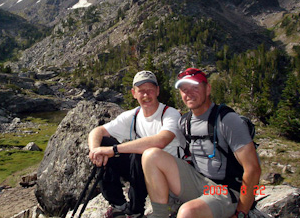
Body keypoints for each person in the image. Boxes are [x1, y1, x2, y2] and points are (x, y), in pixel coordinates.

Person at [142, 68, 261, 218]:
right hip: (200, 181)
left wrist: (241, 212)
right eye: (184, 89)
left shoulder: (227, 119)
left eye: (195, 87)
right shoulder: (185, 122)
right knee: (150, 155)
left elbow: (253, 169)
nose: (189, 93)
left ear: (208, 88)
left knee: (187, 212)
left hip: (226, 190)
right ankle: (160, 215)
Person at [88, 70, 185, 218]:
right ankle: (118, 204)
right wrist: (96, 151)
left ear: (157, 91)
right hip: (142, 172)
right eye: (141, 91)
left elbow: (161, 140)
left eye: (150, 90)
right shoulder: (133, 116)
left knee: (141, 153)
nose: (146, 95)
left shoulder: (170, 114)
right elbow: (98, 131)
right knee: (103, 144)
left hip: (168, 174)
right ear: (134, 93)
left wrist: (113, 150)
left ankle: (135, 209)